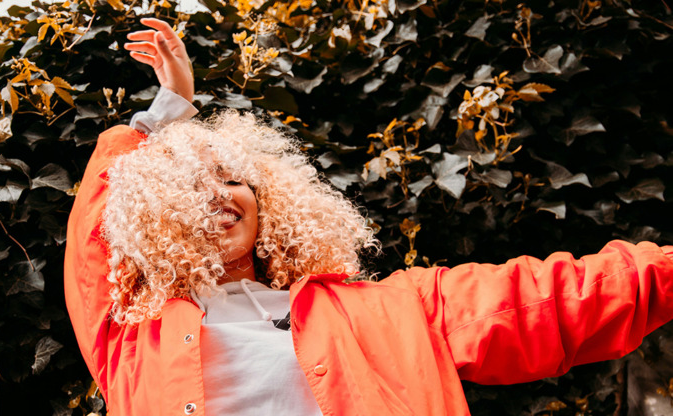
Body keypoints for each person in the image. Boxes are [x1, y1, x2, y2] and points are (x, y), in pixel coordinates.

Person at [64, 18, 673, 415]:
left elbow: (545, 301)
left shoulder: (390, 308)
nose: (222, 195)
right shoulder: (129, 335)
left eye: (233, 179)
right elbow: (92, 244)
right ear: (158, 213)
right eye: (193, 188)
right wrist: (169, 111)